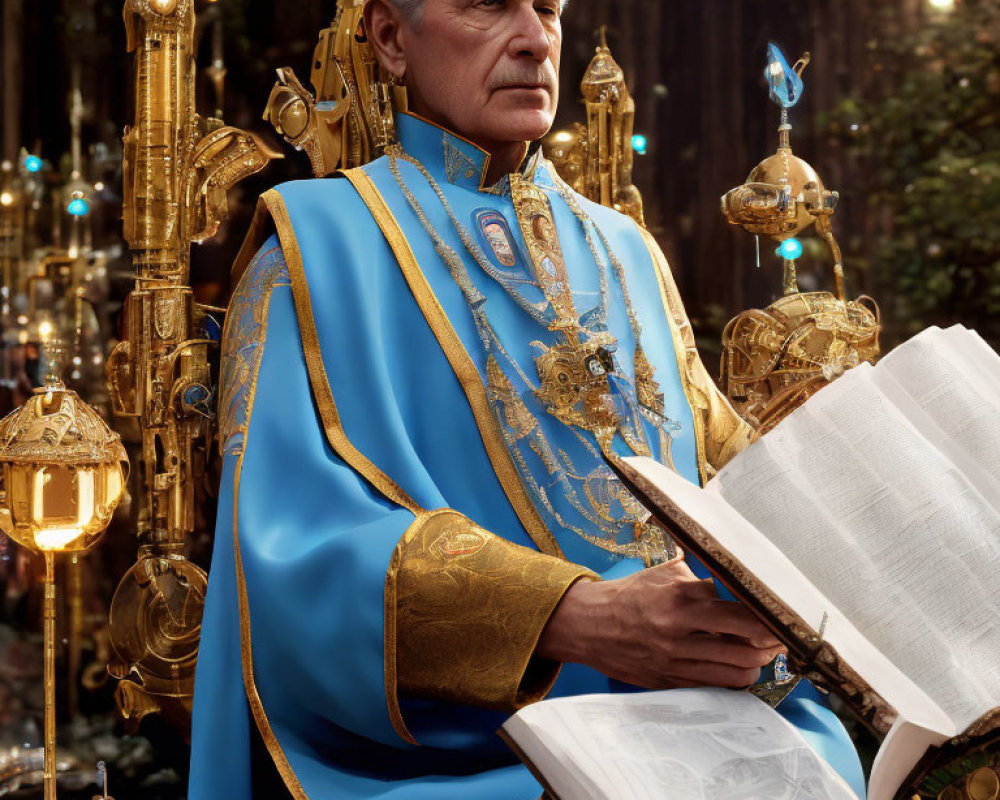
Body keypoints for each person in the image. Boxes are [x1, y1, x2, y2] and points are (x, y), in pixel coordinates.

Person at [188, 1, 866, 798]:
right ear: (391, 37)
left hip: (723, 720)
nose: (533, 38)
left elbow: (727, 472)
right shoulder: (314, 248)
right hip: (493, 761)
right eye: (486, 4)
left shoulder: (625, 249)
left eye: (546, 7)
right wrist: (573, 620)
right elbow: (292, 560)